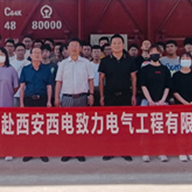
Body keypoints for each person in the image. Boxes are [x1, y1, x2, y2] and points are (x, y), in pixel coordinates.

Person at [55, 38, 94, 163]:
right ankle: (67, 151)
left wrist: (91, 94)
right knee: (67, 126)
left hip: (82, 97)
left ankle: (79, 151)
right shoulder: (63, 64)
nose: (74, 48)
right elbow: (58, 82)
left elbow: (91, 80)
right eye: (71, 46)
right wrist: (56, 97)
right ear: (67, 49)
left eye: (76, 46)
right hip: (67, 98)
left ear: (80, 48)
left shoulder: (86, 63)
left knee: (81, 126)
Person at [99, 34, 138, 162]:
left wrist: (133, 95)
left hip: (126, 95)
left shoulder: (130, 60)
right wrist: (102, 96)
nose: (116, 45)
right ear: (110, 46)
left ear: (123, 45)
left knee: (124, 124)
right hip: (110, 96)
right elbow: (101, 79)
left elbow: (133, 78)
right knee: (110, 124)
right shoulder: (105, 61)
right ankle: (110, 150)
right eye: (114, 43)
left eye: (119, 43)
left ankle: (124, 150)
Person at [19, 46, 55, 163]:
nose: (38, 55)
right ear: (30, 55)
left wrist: (49, 101)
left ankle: (42, 152)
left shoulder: (46, 69)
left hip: (42, 100)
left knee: (42, 126)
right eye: (35, 53)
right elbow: (22, 88)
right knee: (29, 127)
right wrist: (21, 103)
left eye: (39, 52)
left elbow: (49, 86)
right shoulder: (25, 69)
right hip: (29, 100)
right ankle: (29, 152)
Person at [138, 46, 171, 163]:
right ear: (149, 55)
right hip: (147, 101)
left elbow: (167, 86)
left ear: (161, 54)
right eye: (152, 52)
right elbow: (143, 86)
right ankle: (146, 152)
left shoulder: (165, 69)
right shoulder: (144, 69)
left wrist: (162, 100)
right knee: (146, 128)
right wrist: (150, 100)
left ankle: (162, 152)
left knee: (162, 128)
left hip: (162, 101)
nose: (154, 54)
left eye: (157, 52)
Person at [171, 52, 192, 162]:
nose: (185, 60)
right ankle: (181, 152)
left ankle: (191, 151)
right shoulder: (176, 75)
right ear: (180, 61)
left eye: (188, 58)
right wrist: (184, 102)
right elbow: (174, 91)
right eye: (183, 58)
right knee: (181, 130)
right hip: (180, 106)